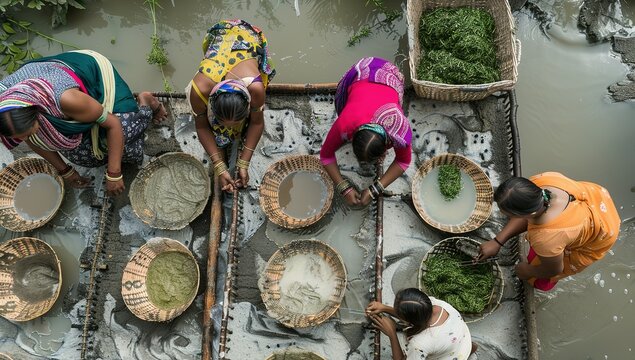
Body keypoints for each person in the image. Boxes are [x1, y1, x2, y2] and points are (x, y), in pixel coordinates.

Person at [0, 50, 166, 196]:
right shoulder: (9, 108)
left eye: (29, 133)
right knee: (83, 157)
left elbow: (113, 124)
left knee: (125, 131)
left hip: (93, 76)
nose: (28, 138)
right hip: (55, 90)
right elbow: (34, 139)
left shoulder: (67, 100)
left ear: (36, 113)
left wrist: (114, 173)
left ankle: (146, 102)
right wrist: (66, 172)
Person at [477, 172, 621, 291]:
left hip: (602, 233)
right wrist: (497, 242)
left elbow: (554, 270)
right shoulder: (543, 181)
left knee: (539, 280)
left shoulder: (546, 238)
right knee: (546, 251)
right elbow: (529, 216)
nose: (508, 218)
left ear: (529, 215)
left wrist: (528, 271)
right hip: (597, 200)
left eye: (510, 216)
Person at [187, 19, 275, 192]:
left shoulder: (255, 88)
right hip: (221, 40)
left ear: (248, 104)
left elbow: (257, 122)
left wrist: (244, 163)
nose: (231, 127)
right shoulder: (199, 90)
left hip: (248, 38)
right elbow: (202, 125)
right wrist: (219, 166)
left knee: (245, 127)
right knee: (220, 134)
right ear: (211, 104)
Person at [320, 57, 412, 206]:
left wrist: (375, 189)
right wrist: (344, 189)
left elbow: (403, 161)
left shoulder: (398, 126)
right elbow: (325, 156)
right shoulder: (345, 124)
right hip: (362, 73)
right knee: (346, 99)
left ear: (386, 146)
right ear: (352, 136)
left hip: (386, 74)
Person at [366, 288, 476, 360]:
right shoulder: (436, 304)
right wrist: (384, 308)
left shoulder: (419, 344)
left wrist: (391, 333)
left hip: (454, 355)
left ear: (409, 321)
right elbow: (415, 314)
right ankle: (471, 349)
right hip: (463, 340)